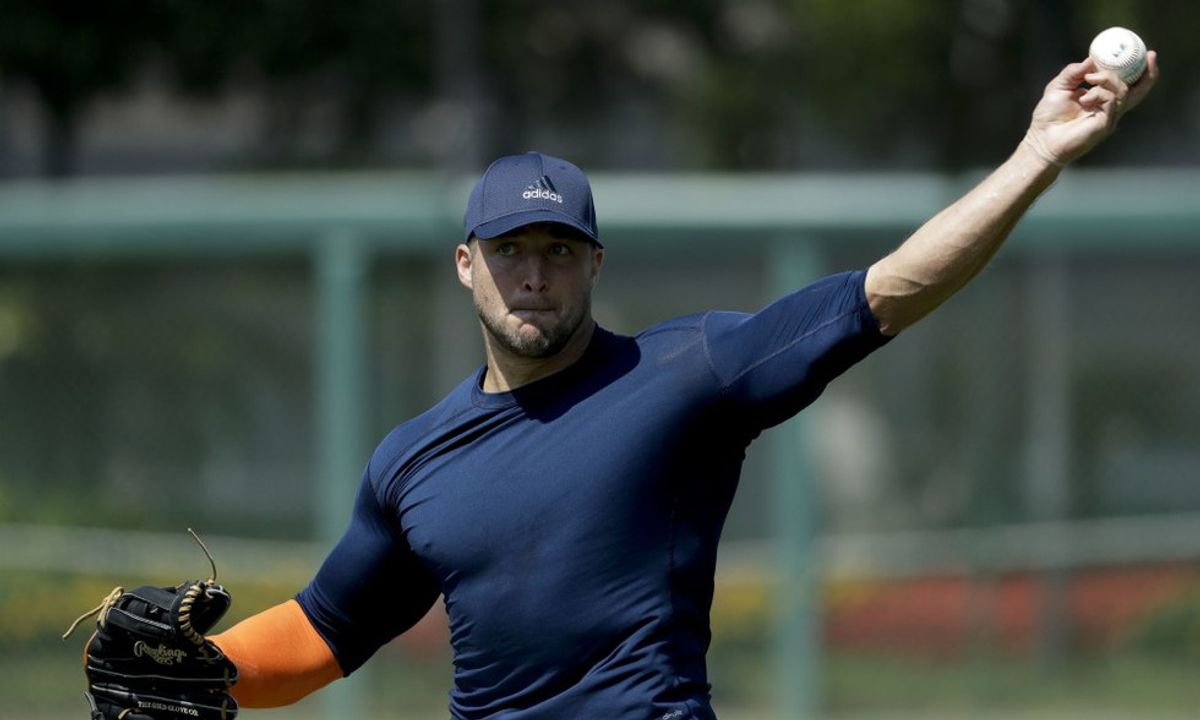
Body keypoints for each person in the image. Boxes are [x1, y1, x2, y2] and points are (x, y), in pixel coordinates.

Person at [208, 53, 1159, 719]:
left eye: (558, 250)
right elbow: (321, 635)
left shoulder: (684, 374)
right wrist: (202, 672)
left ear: (595, 264)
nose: (534, 272)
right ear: (466, 263)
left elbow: (889, 290)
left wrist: (1035, 155)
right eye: (509, 250)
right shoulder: (412, 462)